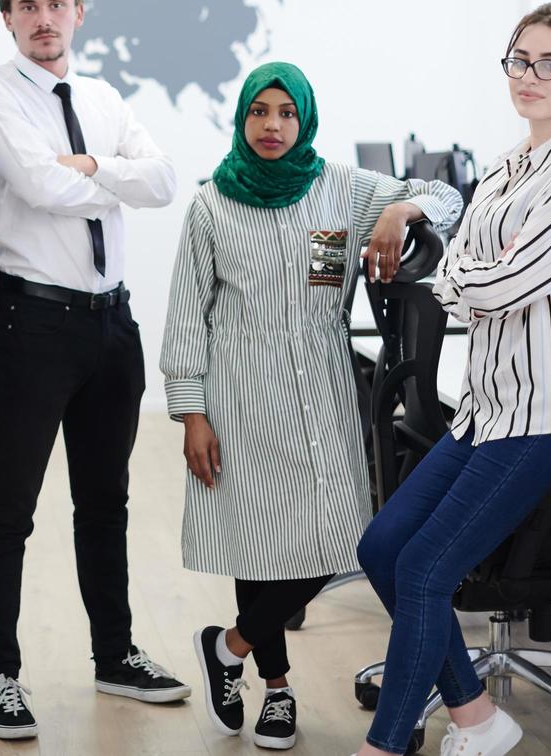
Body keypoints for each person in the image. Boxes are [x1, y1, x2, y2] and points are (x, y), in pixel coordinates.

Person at [160, 61, 462, 750]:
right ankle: (276, 688)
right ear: (242, 119)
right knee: (255, 541)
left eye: (285, 113)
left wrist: (398, 210)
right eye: (259, 112)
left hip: (323, 386)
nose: (271, 126)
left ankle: (226, 646)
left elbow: (447, 196)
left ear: (305, 120)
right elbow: (185, 320)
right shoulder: (211, 204)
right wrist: (192, 413)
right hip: (239, 390)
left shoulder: (342, 191)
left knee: (338, 538)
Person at [354, 5, 551, 756]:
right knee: (384, 549)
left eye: (550, 64)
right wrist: (479, 271)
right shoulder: (509, 166)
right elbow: (457, 275)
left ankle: (385, 744)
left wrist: (476, 272)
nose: (529, 77)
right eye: (518, 60)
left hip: (549, 409)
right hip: (488, 407)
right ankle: (476, 716)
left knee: (426, 570)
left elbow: (496, 285)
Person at [0, 0, 185, 742]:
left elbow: (161, 180)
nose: (43, 19)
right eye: (28, 7)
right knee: (9, 509)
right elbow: (38, 188)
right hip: (34, 325)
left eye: (57, 4)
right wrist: (110, 174)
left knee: (106, 503)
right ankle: (0, 675)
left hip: (111, 328)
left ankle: (115, 654)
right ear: (10, 18)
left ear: (78, 12)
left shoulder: (103, 95)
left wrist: (90, 162)